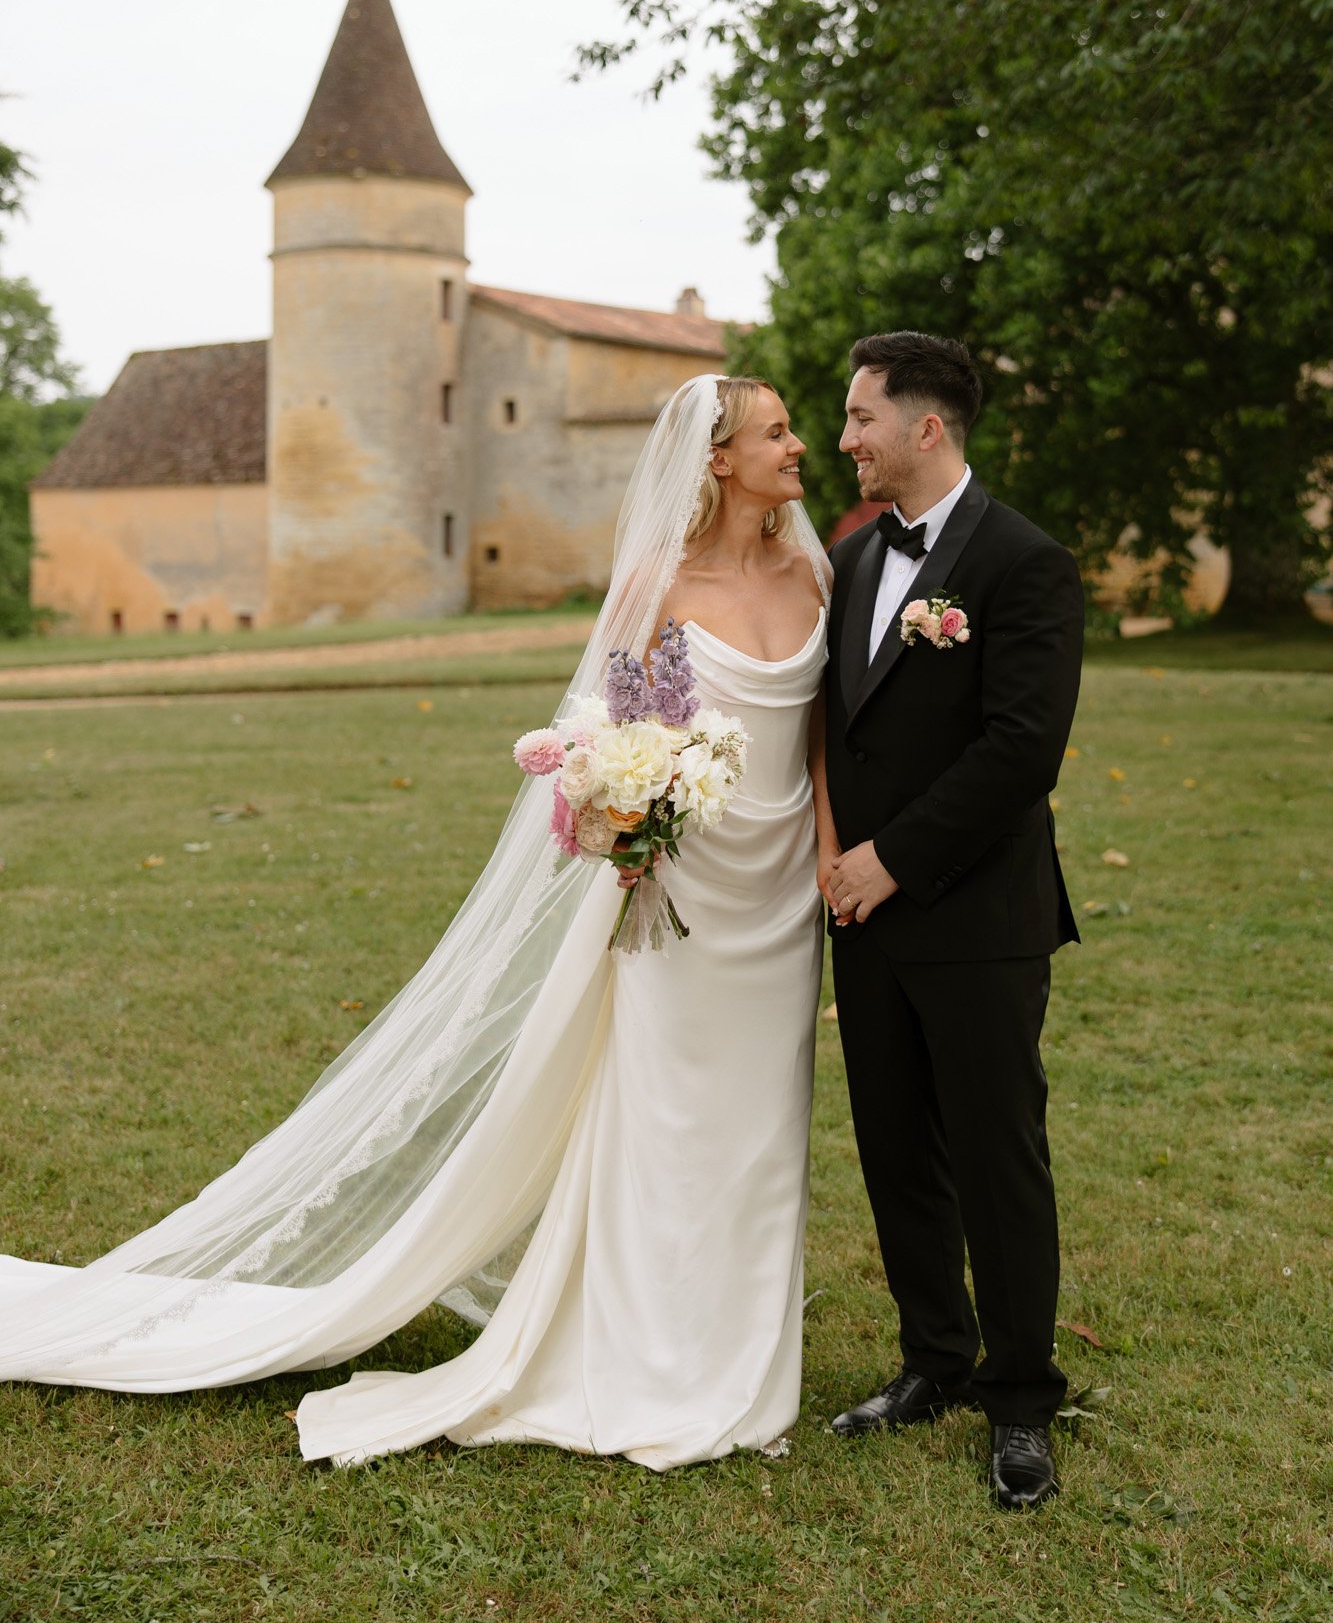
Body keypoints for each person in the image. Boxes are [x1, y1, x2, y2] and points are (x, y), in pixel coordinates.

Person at [0, 373, 833, 1473]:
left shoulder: (817, 569)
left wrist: (826, 849)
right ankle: (651, 1352)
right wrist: (627, 804)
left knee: (765, 1125)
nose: (800, 445)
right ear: (719, 458)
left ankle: (744, 1361)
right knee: (671, 1120)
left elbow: (828, 737)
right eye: (776, 431)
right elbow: (605, 730)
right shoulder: (655, 580)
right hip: (679, 894)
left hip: (782, 895)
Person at [820, 331, 1083, 1511]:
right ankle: (933, 1356)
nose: (844, 439)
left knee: (995, 1157)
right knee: (894, 1149)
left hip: (977, 915)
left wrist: (892, 858)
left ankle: (1022, 1397)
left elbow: (1022, 747)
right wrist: (836, 857)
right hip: (861, 919)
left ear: (927, 426)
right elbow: (840, 723)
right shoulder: (852, 553)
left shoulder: (1026, 561)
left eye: (861, 416)